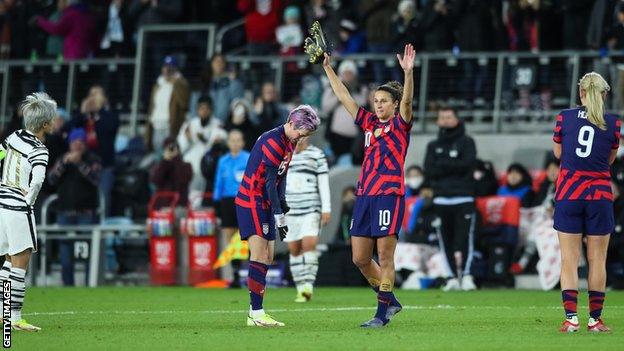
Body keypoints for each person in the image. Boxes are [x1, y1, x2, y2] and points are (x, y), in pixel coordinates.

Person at [322, 44, 415, 328]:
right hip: (364, 195)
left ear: (395, 104)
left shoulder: (401, 124)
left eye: (384, 101)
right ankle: (391, 301)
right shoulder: (368, 123)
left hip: (388, 195)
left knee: (385, 255)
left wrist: (408, 74)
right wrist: (328, 66)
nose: (378, 105)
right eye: (376, 100)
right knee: (360, 258)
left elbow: (409, 102)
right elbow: (343, 95)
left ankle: (381, 313)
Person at [235, 105, 320, 327]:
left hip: (265, 201)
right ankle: (256, 313)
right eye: (302, 132)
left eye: (307, 135)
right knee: (260, 254)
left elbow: (282, 176)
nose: (303, 137)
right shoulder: (273, 141)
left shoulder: (290, 142)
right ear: (291, 123)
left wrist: (282, 203)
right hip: (251, 200)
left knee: (269, 256)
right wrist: (279, 215)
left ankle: (255, 311)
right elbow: (269, 182)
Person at [553, 72, 620, 333]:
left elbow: (559, 153)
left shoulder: (564, 118)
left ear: (581, 93)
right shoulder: (614, 123)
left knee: (569, 260)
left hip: (569, 192)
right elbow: (610, 159)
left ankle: (571, 319)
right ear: (604, 94)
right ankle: (595, 320)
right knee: (597, 259)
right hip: (599, 195)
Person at [0, 92, 56, 331]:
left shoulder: (13, 137)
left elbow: (0, 154)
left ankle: (2, 313)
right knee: (20, 262)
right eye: (52, 119)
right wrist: (28, 201)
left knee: (8, 261)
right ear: (44, 124)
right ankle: (15, 318)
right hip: (17, 208)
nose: (54, 123)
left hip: (1, 204)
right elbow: (37, 180)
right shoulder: (39, 149)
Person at [423, 106, 477, 291]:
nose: (445, 120)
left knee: (464, 240)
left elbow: (468, 165)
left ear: (457, 119)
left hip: (463, 198)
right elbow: (429, 170)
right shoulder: (432, 145)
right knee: (444, 240)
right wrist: (453, 164)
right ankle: (451, 276)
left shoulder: (467, 142)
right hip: (441, 199)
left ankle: (467, 275)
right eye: (442, 117)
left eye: (449, 116)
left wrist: (443, 164)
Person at [48, 128, 102, 286]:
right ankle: (68, 285)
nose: (77, 146)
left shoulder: (93, 159)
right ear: (70, 144)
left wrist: (80, 164)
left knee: (87, 251)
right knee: (65, 252)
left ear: (85, 144)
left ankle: (89, 284)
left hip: (86, 213)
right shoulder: (62, 159)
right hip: (65, 212)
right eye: (74, 142)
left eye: (80, 142)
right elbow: (51, 180)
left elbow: (95, 180)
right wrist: (63, 163)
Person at [284, 136, 331, 303]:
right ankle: (299, 288)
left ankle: (307, 288)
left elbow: (323, 182)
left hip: (311, 208)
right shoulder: (284, 155)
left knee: (309, 245)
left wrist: (326, 208)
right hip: (290, 210)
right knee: (295, 249)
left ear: (309, 136)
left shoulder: (317, 155)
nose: (299, 139)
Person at [213, 129, 250, 283]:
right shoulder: (223, 161)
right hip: (227, 201)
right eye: (232, 140)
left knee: (245, 236)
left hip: (244, 200)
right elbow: (218, 183)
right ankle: (235, 273)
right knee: (229, 235)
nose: (235, 143)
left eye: (238, 140)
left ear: (242, 142)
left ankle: (247, 270)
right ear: (228, 143)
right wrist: (216, 204)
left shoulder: (248, 158)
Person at [176, 95, 227, 199]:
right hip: (191, 165)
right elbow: (180, 147)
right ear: (197, 110)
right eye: (201, 108)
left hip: (209, 166)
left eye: (207, 108)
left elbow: (223, 139)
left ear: (211, 110)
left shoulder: (217, 124)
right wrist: (187, 138)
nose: (204, 111)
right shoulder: (190, 124)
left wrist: (217, 142)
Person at [146, 55, 190, 152]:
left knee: (169, 155)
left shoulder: (181, 83)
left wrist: (176, 83)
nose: (167, 70)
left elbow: (184, 103)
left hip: (169, 126)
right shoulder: (158, 84)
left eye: (170, 67)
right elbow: (152, 106)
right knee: (157, 157)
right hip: (156, 125)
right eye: (165, 67)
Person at [150, 137, 193, 205]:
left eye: (173, 148)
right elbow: (155, 180)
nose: (171, 150)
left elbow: (182, 180)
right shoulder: (159, 166)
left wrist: (176, 158)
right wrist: (165, 161)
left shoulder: (186, 166)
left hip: (179, 205)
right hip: (162, 206)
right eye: (168, 149)